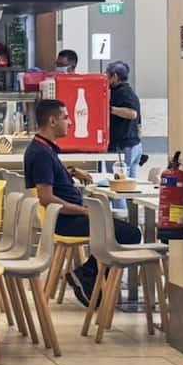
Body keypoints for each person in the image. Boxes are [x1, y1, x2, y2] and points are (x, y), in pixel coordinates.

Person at [26, 98, 131, 306]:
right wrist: (83, 211)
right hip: (65, 221)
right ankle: (87, 274)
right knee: (129, 233)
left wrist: (72, 171)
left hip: (66, 217)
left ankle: (88, 275)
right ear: (52, 121)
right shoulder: (41, 154)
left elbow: (52, 176)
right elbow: (46, 198)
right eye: (66, 117)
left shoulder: (43, 148)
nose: (71, 122)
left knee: (118, 229)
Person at [106, 60, 144, 179]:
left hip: (122, 146)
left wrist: (108, 109)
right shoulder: (129, 92)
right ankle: (128, 199)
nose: (105, 78)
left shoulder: (123, 92)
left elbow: (132, 113)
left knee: (118, 184)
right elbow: (139, 124)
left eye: (107, 75)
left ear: (115, 77)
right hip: (133, 144)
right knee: (129, 184)